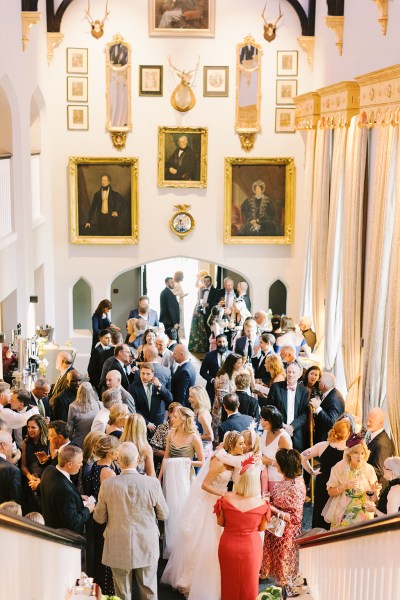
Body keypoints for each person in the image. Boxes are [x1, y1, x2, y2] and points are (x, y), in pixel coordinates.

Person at [161, 431, 246, 600]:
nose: (244, 447)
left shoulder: (231, 460)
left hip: (221, 503)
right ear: (232, 446)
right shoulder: (218, 461)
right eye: (241, 444)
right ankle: (195, 581)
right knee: (206, 542)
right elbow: (205, 485)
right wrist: (223, 493)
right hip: (209, 503)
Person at [93, 442, 169, 600]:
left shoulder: (108, 485)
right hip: (147, 543)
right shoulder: (152, 483)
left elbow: (99, 518)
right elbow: (164, 515)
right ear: (139, 459)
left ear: (118, 461)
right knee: (149, 591)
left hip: (117, 543)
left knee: (122, 594)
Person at [214, 458, 270, 600]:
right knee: (250, 584)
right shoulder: (262, 503)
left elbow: (220, 523)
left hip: (228, 545)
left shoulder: (226, 498)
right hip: (251, 547)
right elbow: (262, 528)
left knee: (228, 582)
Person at [159, 405, 204, 558]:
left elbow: (202, 461)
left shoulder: (194, 437)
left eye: (175, 417)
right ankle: (172, 547)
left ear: (184, 419)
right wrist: (159, 478)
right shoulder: (170, 434)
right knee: (171, 511)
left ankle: (184, 548)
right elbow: (166, 456)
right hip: (171, 479)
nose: (171, 418)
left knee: (184, 511)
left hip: (186, 478)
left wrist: (186, 463)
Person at [260, 449, 306, 589]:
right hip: (274, 526)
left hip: (286, 533)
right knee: (268, 554)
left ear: (285, 466)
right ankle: (265, 574)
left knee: (282, 564)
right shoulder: (286, 479)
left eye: (278, 463)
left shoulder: (296, 486)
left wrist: (272, 508)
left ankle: (282, 589)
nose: (276, 465)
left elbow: (295, 518)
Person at [301, 419, 351, 529]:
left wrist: (311, 472)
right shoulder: (348, 452)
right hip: (337, 486)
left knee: (319, 511)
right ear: (347, 435)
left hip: (322, 483)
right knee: (335, 514)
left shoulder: (322, 446)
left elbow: (302, 457)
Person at [322, 434, 379, 529]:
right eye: (356, 453)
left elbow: (374, 499)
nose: (359, 457)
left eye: (362, 453)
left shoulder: (369, 469)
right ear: (349, 453)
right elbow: (330, 491)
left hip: (364, 515)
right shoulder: (338, 468)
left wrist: (374, 492)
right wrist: (345, 486)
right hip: (343, 513)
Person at [87, 434, 120, 595]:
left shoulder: (96, 464)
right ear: (110, 453)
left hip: (99, 515)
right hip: (106, 517)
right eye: (117, 450)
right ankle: (107, 590)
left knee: (101, 553)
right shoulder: (107, 471)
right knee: (107, 556)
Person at [39, 445, 95, 534]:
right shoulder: (66, 491)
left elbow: (56, 497)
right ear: (69, 464)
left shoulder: (48, 470)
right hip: (63, 535)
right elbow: (73, 522)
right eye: (79, 462)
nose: (81, 465)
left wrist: (77, 497)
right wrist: (88, 509)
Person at [268, 362, 310, 452]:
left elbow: (304, 414)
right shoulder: (276, 387)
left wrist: (292, 427)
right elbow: (270, 409)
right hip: (278, 430)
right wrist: (282, 425)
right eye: (289, 372)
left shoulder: (304, 391)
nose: (290, 374)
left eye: (293, 372)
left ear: (299, 375)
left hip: (296, 433)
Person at [212, 352, 252, 438]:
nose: (241, 365)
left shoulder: (230, 374)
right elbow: (221, 397)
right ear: (232, 363)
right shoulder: (224, 376)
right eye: (239, 363)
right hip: (222, 410)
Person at [128, 362, 172, 435]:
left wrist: (159, 386)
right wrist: (146, 422)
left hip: (158, 422)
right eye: (143, 373)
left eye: (148, 374)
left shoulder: (158, 384)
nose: (145, 376)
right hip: (142, 423)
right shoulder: (132, 388)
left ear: (153, 374)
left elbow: (170, 399)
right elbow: (133, 408)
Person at [260, 405, 292, 495]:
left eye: (265, 419)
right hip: (264, 477)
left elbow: (289, 464)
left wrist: (269, 462)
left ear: (273, 420)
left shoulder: (284, 438)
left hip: (278, 479)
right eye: (261, 418)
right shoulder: (266, 431)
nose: (261, 422)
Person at [20, 415, 49, 512]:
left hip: (45, 481)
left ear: (41, 428)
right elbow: (23, 465)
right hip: (30, 481)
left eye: (33, 427)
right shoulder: (26, 442)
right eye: (28, 427)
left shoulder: (49, 442)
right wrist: (30, 477)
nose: (30, 430)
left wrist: (41, 481)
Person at [365, 407, 395, 491]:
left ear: (381, 423)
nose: (367, 423)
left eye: (371, 421)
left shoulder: (382, 443)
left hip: (377, 488)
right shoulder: (375, 436)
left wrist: (360, 465)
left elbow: (379, 470)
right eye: (367, 420)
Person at [312, 372, 345, 443]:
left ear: (323, 385)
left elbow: (331, 422)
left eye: (319, 381)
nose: (318, 383)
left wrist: (318, 407)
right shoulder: (333, 393)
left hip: (325, 439)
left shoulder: (333, 399)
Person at [67, 382, 102, 447]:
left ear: (79, 391)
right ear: (92, 392)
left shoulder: (73, 407)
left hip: (79, 442)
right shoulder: (99, 405)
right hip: (94, 442)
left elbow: (69, 428)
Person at [200, 333, 231, 402]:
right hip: (212, 389)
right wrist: (212, 380)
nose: (222, 344)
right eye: (219, 342)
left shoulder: (232, 355)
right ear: (216, 343)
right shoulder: (209, 355)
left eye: (224, 341)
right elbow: (202, 372)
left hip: (228, 388)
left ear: (227, 342)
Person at [188, 385, 214, 459]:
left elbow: (210, 436)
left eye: (191, 397)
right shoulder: (198, 411)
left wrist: (193, 437)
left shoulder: (202, 415)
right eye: (189, 396)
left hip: (202, 452)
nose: (189, 399)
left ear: (199, 398)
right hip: (198, 450)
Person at [0, 430, 23, 505]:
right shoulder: (13, 471)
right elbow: (15, 504)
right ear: (3, 445)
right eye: (11, 442)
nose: (13, 445)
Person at [172, 271, 188, 340]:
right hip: (179, 305)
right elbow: (175, 295)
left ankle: (179, 338)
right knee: (179, 321)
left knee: (180, 321)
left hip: (180, 304)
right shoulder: (176, 285)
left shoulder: (177, 284)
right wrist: (184, 295)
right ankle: (178, 338)